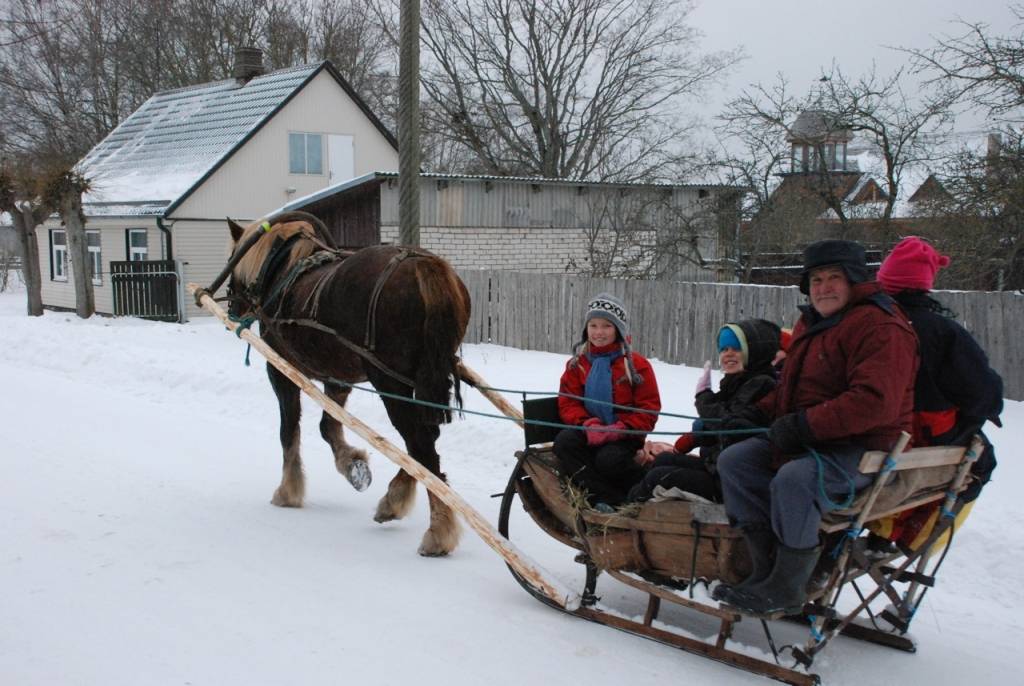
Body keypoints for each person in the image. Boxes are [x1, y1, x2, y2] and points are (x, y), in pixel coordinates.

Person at [713, 239, 919, 615]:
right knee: (735, 461)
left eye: (834, 278)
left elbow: (874, 402)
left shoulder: (881, 327)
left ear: (855, 280)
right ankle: (764, 570)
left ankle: (789, 586)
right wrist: (757, 414)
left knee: (796, 480)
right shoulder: (815, 323)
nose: (823, 287)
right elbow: (794, 388)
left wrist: (803, 426)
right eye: (816, 279)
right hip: (812, 439)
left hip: (863, 448)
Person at [867, 237, 1003, 549]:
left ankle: (882, 529)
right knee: (981, 464)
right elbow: (982, 392)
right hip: (923, 437)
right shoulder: (943, 332)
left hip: (872, 434)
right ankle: (915, 536)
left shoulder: (863, 323)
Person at [628, 318, 782, 504]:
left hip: (732, 481)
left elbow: (729, 423)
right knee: (662, 461)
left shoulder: (761, 384)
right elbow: (718, 425)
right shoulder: (739, 381)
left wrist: (704, 397)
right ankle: (626, 504)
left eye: (736, 348)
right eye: (724, 349)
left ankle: (625, 519)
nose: (728, 354)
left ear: (754, 351)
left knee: (659, 477)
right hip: (716, 466)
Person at [554, 293, 662, 511]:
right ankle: (606, 499)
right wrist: (587, 424)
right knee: (565, 443)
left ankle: (638, 494)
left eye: (606, 326)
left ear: (618, 330)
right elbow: (568, 401)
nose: (598, 332)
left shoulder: (636, 366)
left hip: (624, 435)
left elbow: (649, 408)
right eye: (593, 325)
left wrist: (620, 429)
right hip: (589, 429)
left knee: (608, 459)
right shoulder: (578, 364)